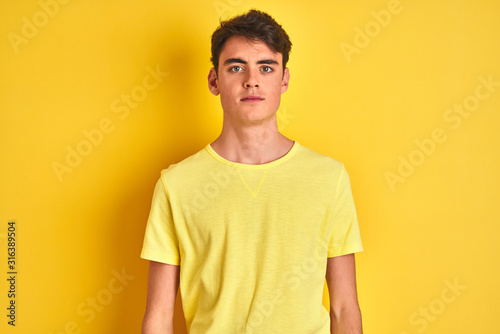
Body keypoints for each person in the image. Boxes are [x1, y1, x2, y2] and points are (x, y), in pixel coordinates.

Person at [140, 9, 364, 334]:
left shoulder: (329, 178)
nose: (252, 80)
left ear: (284, 79)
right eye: (236, 67)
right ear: (214, 80)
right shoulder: (176, 184)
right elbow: (159, 317)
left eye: (266, 67)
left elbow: (344, 308)